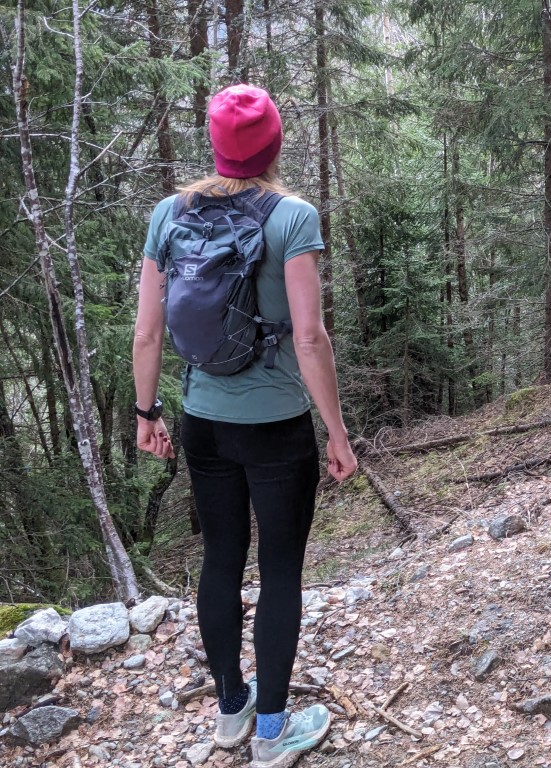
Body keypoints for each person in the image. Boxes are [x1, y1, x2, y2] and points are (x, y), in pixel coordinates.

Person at [132, 83, 358, 768]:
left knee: (220, 561)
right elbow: (310, 338)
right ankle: (271, 731)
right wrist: (337, 432)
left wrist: (146, 413)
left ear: (215, 145)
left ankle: (231, 711)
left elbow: (147, 333)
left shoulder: (170, 213)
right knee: (281, 570)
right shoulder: (293, 217)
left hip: (203, 422)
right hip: (276, 428)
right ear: (274, 144)